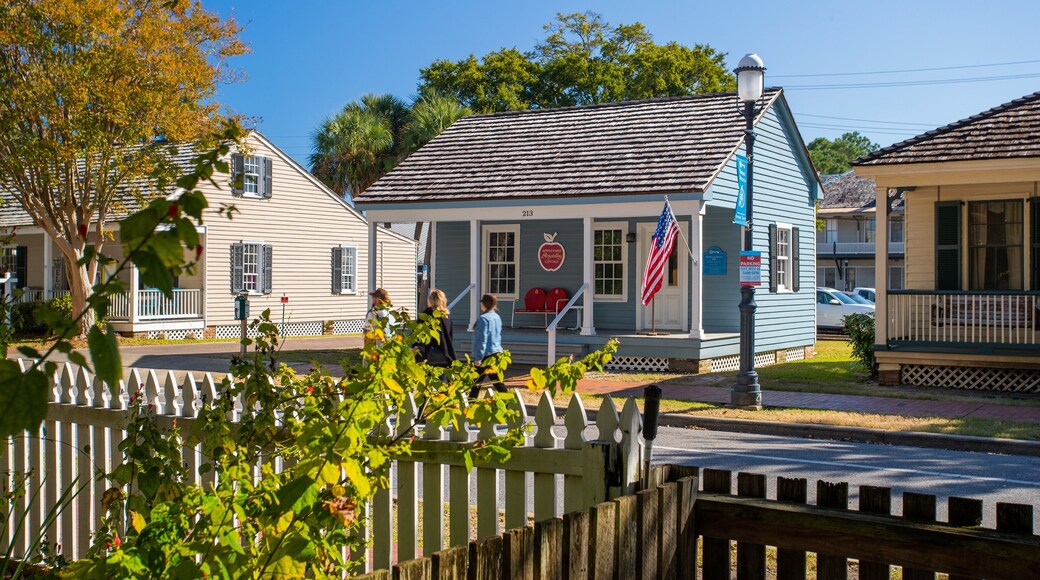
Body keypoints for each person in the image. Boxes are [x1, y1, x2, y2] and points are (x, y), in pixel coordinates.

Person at [470, 293, 506, 397]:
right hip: (496, 352)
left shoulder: (483, 319)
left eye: (481, 302)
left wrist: (478, 358)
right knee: (497, 382)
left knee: (475, 383)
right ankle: (507, 399)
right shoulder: (497, 317)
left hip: (486, 355)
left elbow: (482, 340)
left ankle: (470, 404)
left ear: (484, 303)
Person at [419, 289, 456, 367]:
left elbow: (419, 333)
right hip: (445, 354)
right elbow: (450, 336)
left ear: (431, 300)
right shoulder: (447, 316)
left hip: (428, 354)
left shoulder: (427, 314)